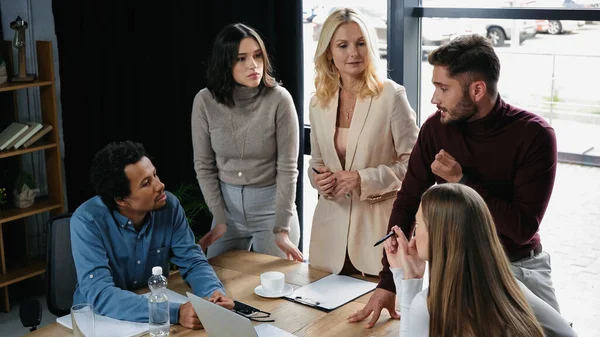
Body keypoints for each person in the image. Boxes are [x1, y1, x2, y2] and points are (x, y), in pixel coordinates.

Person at [349, 33, 561, 328]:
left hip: (518, 269)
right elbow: (408, 201)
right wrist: (389, 281)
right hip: (457, 271)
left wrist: (462, 180)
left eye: (443, 88)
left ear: (477, 90)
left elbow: (522, 228)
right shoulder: (436, 128)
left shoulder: (534, 135)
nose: (434, 98)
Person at [71, 141, 234, 330]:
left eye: (155, 174)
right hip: (99, 320)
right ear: (122, 199)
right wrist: (172, 312)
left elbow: (193, 261)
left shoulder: (169, 207)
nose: (160, 185)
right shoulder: (87, 221)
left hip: (154, 316)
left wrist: (213, 295)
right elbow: (100, 293)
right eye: (146, 183)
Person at [308, 7, 419, 277]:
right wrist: (318, 180)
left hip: (377, 237)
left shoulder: (391, 96)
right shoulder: (318, 101)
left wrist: (362, 178)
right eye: (343, 45)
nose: (353, 53)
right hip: (329, 239)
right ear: (329, 52)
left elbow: (415, 167)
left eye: (360, 43)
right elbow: (317, 163)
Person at [386, 184, 576, 337]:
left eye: (419, 224)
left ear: (439, 236)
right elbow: (567, 333)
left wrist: (409, 281)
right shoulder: (511, 287)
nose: (414, 233)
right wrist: (409, 277)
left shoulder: (429, 306)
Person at [191, 23, 302, 262]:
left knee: (273, 292)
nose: (253, 65)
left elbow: (288, 169)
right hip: (227, 212)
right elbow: (204, 166)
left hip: (272, 210)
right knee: (218, 288)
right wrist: (219, 218)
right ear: (225, 62)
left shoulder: (279, 99)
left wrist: (282, 229)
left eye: (257, 55)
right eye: (241, 58)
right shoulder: (205, 101)